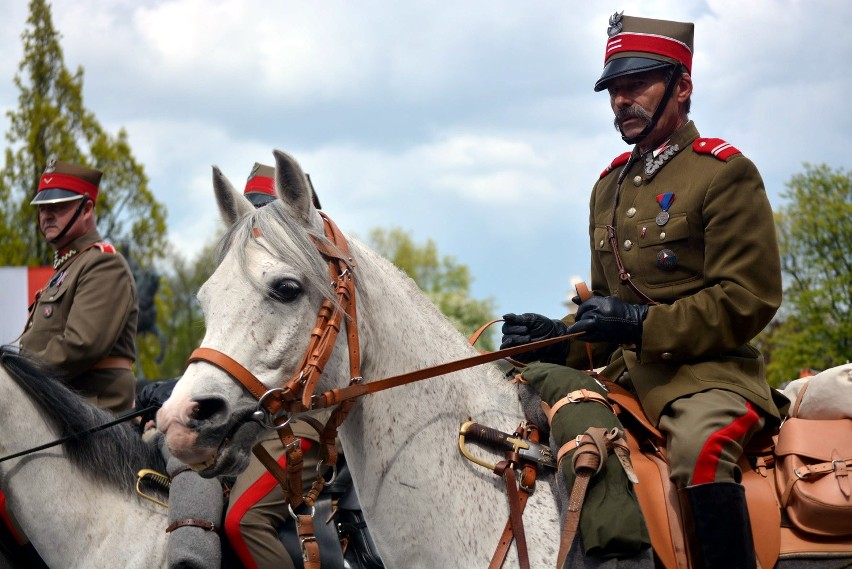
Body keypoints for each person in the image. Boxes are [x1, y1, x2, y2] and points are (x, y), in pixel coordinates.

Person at [501, 13, 785, 569]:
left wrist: (638, 326)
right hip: (626, 377)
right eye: (613, 89)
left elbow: (747, 299)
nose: (620, 101)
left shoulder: (723, 173)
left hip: (708, 377)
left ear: (682, 87)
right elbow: (604, 325)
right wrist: (559, 339)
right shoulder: (608, 186)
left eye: (637, 85)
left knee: (700, 451)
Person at [224, 162, 324, 569]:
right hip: (255, 421)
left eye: (271, 216)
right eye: (253, 216)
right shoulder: (248, 279)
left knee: (242, 521)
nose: (260, 229)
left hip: (305, 420)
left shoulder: (318, 275)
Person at [20, 159, 138, 414]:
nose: (47, 214)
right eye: (42, 207)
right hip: (60, 408)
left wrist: (17, 374)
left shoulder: (104, 264)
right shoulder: (69, 266)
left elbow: (81, 345)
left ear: (86, 209)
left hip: (91, 415)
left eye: (59, 206)